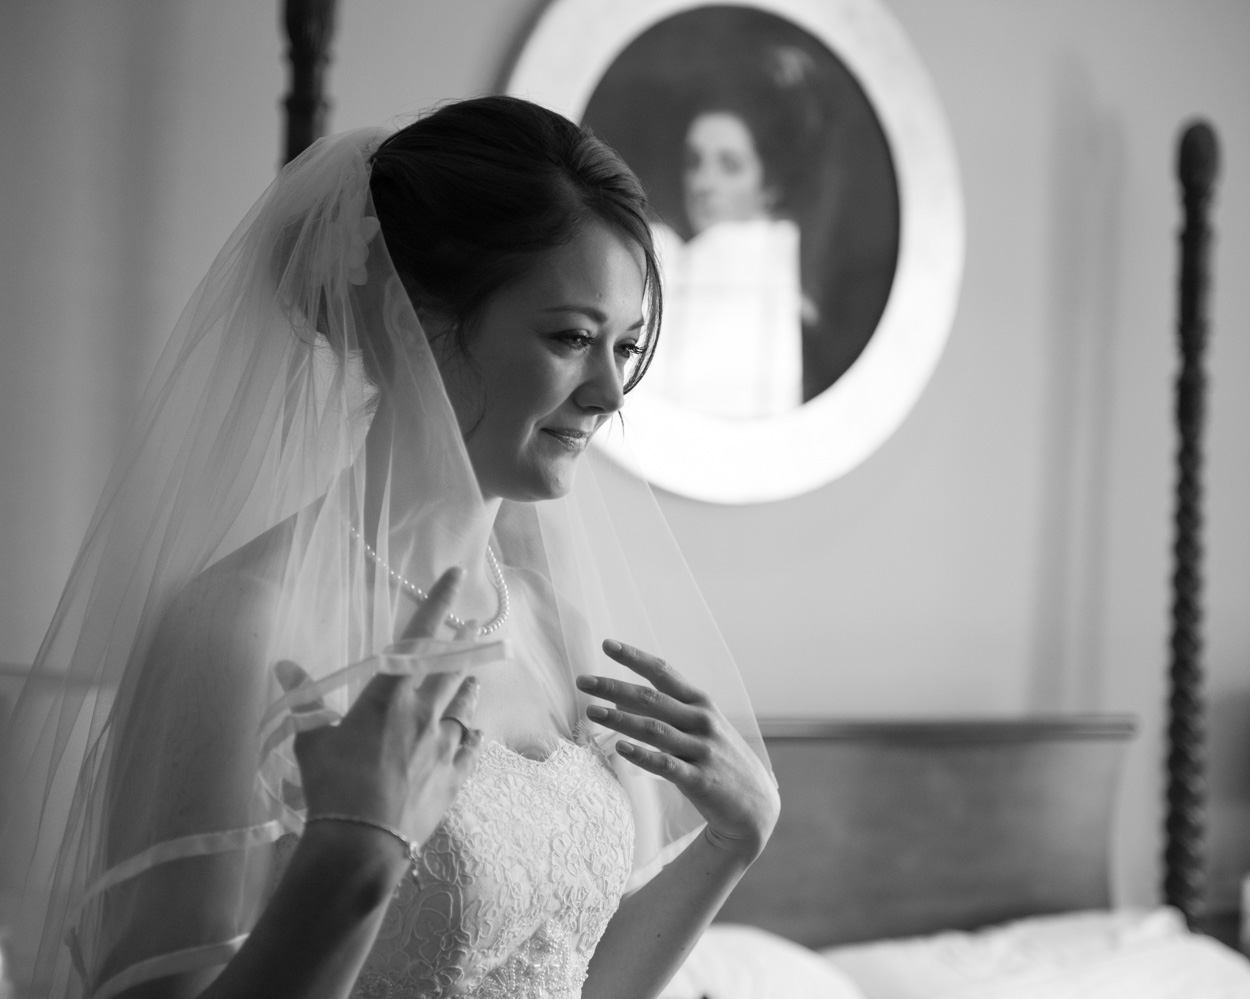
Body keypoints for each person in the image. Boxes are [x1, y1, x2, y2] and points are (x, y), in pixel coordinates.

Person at [0, 96, 778, 999]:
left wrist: (731, 842)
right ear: (415, 321)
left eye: (626, 345)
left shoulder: (551, 625)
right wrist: (350, 862)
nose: (609, 391)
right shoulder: (238, 626)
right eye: (571, 337)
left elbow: (566, 980)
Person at [644, 72, 819, 419]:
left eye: (730, 166)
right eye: (695, 162)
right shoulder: (658, 258)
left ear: (771, 184)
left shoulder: (796, 312)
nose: (703, 183)